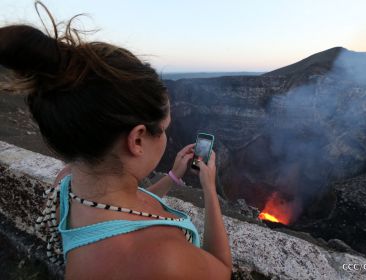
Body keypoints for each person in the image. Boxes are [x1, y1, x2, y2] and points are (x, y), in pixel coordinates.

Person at [0, 3, 232, 279]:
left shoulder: (68, 184)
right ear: (137, 139)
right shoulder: (162, 256)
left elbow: (127, 212)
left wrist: (173, 175)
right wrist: (209, 187)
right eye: (164, 127)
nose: (167, 135)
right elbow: (221, 269)